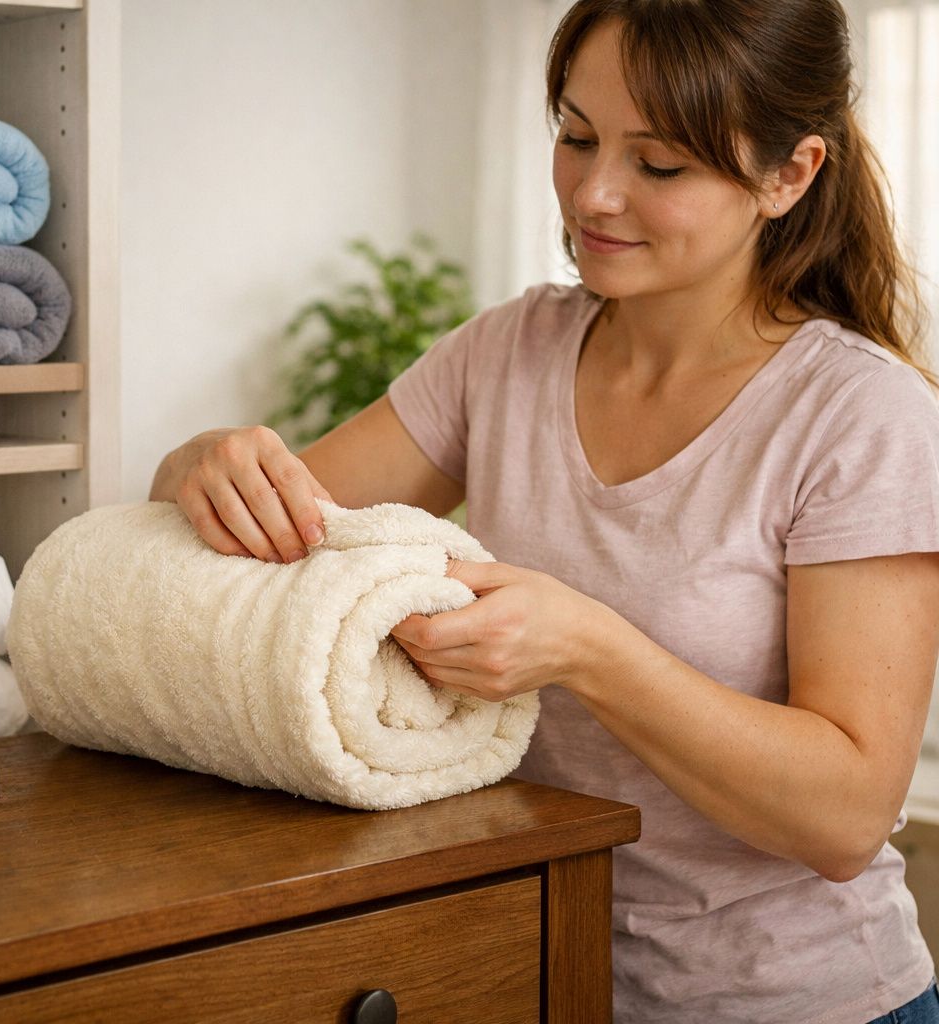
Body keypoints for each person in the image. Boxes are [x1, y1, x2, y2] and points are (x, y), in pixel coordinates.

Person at [149, 1, 939, 1021]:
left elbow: (847, 812)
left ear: (789, 175)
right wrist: (196, 463)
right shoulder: (507, 353)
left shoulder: (860, 415)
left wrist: (590, 649)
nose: (595, 194)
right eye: (576, 137)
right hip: (536, 972)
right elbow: (282, 527)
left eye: (659, 166)